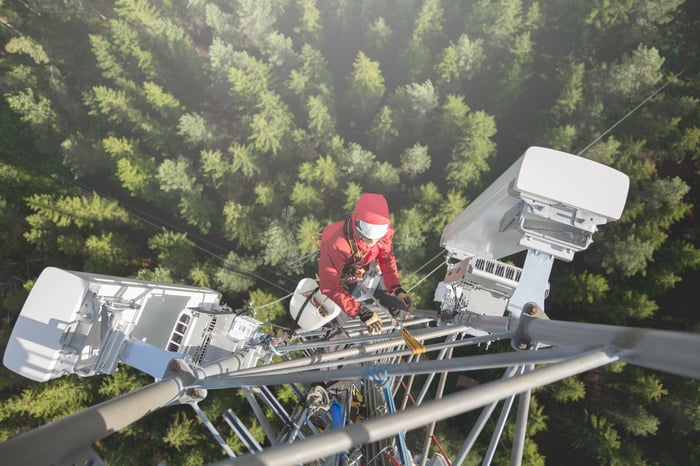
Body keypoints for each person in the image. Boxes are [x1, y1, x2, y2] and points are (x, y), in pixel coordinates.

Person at [317, 193, 414, 335]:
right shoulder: (336, 244)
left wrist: (397, 288)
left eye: (376, 239)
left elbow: (386, 258)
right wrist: (361, 311)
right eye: (367, 238)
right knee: (337, 321)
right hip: (339, 278)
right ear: (357, 226)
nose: (371, 243)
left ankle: (403, 323)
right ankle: (336, 346)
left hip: (363, 268)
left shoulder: (384, 233)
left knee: (397, 304)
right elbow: (329, 286)